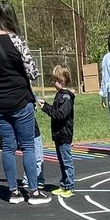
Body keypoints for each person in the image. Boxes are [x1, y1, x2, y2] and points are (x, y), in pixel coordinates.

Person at [0, 1, 50, 205]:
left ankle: (13, 192)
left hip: (0, 102)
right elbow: (33, 72)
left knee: (8, 148)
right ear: (12, 18)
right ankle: (34, 192)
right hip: (20, 99)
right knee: (28, 145)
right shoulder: (17, 41)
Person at [39, 65, 75, 198]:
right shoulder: (60, 95)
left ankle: (69, 186)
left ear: (62, 80)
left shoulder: (65, 97)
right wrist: (47, 106)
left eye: (56, 80)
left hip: (64, 133)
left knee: (66, 161)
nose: (54, 83)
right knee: (61, 161)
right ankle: (64, 184)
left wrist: (46, 108)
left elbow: (60, 115)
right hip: (58, 133)